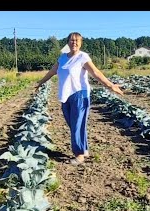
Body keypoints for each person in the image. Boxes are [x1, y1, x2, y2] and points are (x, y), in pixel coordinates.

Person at [36, 32, 124, 165]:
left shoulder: (83, 57)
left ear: (81, 43)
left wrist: (110, 85)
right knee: (74, 125)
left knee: (77, 125)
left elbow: (95, 72)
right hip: (65, 96)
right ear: (68, 42)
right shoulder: (62, 58)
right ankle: (84, 148)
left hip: (79, 95)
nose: (74, 43)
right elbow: (52, 72)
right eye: (71, 40)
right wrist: (40, 83)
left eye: (77, 40)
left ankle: (79, 155)